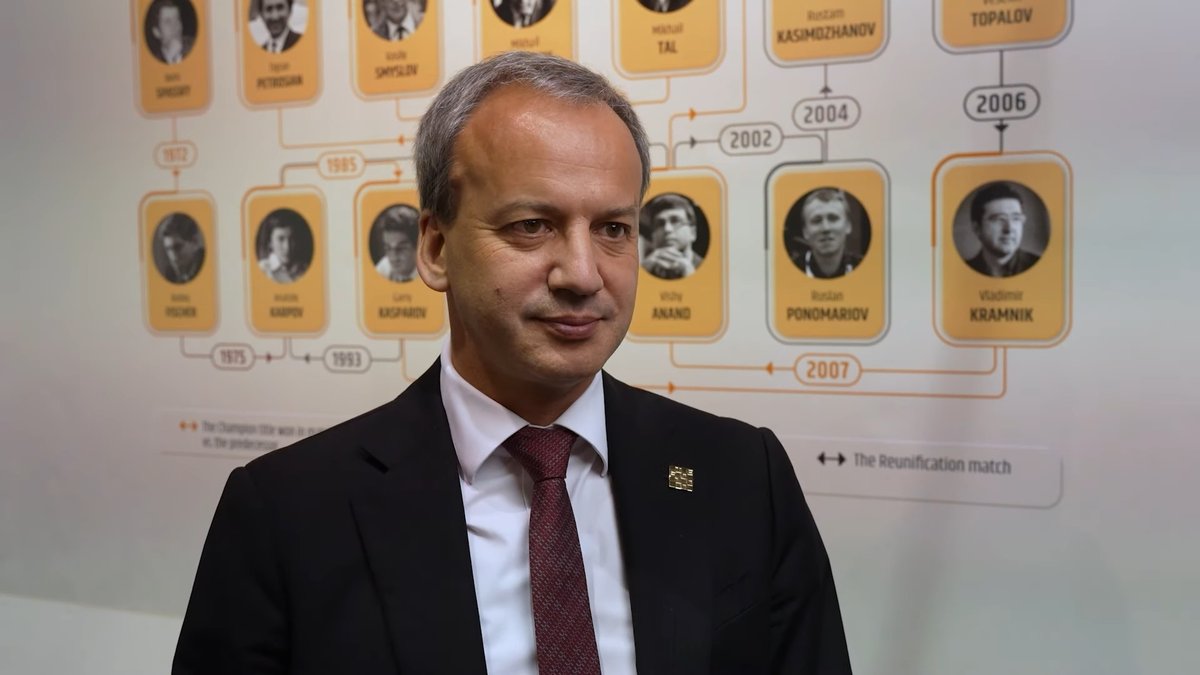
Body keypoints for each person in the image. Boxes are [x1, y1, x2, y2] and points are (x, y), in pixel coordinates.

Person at [175, 52, 850, 674]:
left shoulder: (743, 475)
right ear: (435, 249)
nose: (582, 273)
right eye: (532, 225)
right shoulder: (286, 514)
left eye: (613, 229)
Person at [965, 181, 1042, 278]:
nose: (1009, 229)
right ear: (977, 228)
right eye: (999, 219)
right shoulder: (963, 271)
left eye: (1016, 219)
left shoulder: (1042, 267)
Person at [790, 188, 862, 279]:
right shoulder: (786, 273)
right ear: (805, 232)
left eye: (833, 218)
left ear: (848, 226)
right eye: (816, 221)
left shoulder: (869, 271)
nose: (826, 228)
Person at [640, 192, 704, 279]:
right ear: (653, 236)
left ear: (692, 233)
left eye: (675, 221)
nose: (667, 229)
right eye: (660, 223)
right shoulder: (643, 269)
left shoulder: (712, 269)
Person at [256, 211, 308, 283]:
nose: (287, 247)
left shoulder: (304, 269)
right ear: (270, 242)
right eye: (280, 239)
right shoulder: (262, 270)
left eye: (292, 239)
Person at [373, 204, 419, 282]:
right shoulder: (383, 267)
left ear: (417, 246)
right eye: (388, 248)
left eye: (401, 248)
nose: (393, 256)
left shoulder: (429, 274)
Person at [156, 213, 204, 284]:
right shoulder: (173, 277)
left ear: (194, 242)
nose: (173, 257)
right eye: (168, 249)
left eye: (178, 247)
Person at [146, 0, 195, 65]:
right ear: (157, 32)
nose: (175, 26)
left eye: (177, 19)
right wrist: (170, 58)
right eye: (168, 22)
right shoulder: (152, 60)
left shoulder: (194, 47)